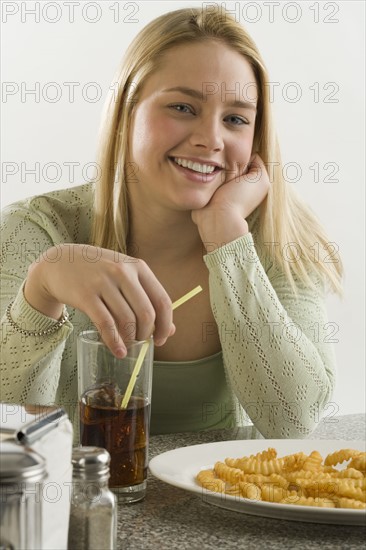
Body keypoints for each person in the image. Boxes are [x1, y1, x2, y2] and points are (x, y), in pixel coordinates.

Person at [0, 6, 342, 439]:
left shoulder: (280, 238)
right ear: (126, 115)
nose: (211, 139)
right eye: (182, 107)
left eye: (235, 119)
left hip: (225, 502)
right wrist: (41, 292)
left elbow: (293, 421)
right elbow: (8, 408)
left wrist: (227, 235)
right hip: (81, 502)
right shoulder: (35, 230)